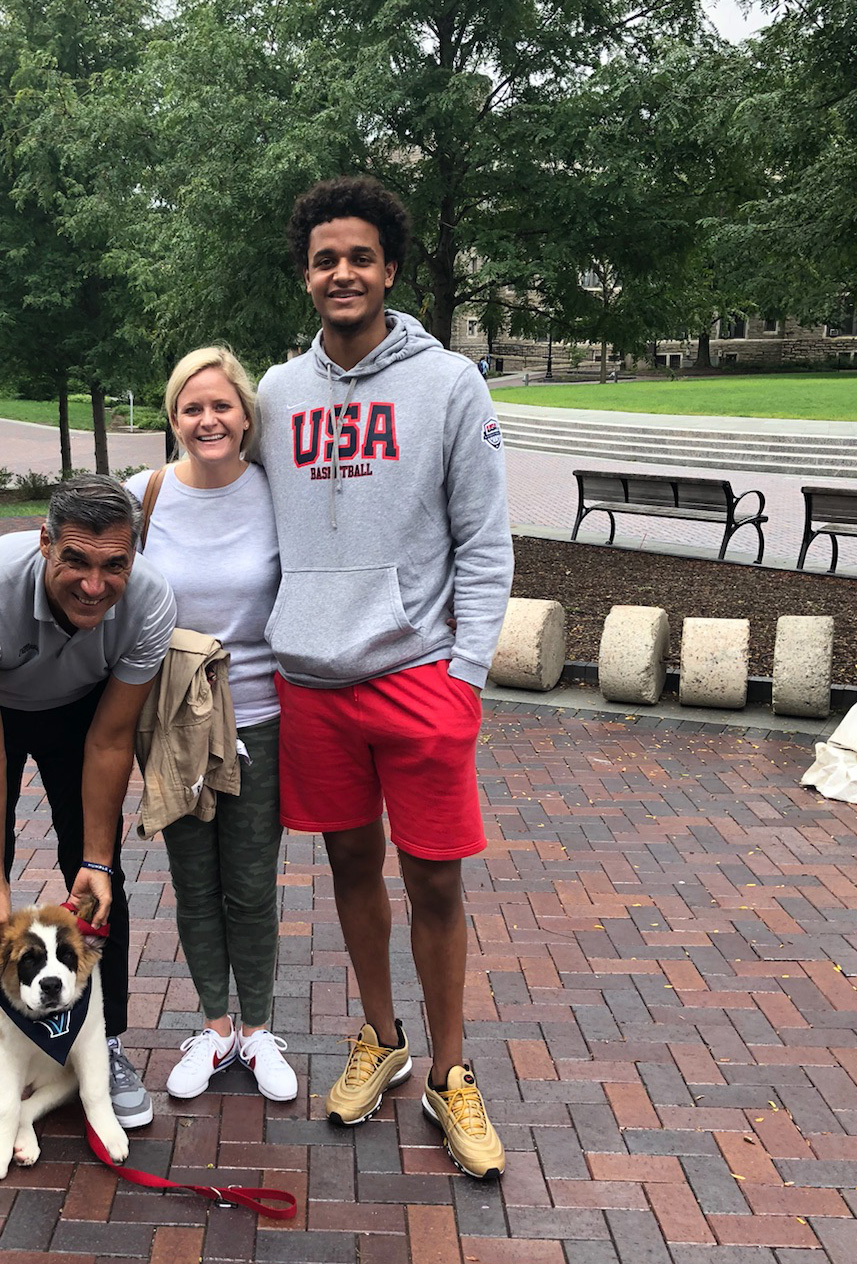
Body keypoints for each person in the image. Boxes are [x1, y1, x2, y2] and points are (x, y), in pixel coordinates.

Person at [256, 176, 513, 1178]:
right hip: (314, 680)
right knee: (351, 869)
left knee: (435, 880)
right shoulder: (278, 393)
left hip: (417, 678)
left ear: (390, 269)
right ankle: (381, 1036)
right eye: (326, 258)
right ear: (307, 274)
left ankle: (451, 1073)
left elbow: (484, 545)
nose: (343, 272)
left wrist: (467, 675)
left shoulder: (450, 383)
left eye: (360, 256)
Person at [0, 474, 177, 1164]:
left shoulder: (151, 601)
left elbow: (109, 739)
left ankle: (109, 1043)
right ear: (45, 544)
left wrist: (95, 858)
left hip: (81, 710)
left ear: (134, 555)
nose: (96, 585)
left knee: (100, 878)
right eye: (77, 561)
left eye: (114, 565)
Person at [125, 347, 296, 1103]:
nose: (208, 420)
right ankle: (216, 1026)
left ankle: (258, 1031)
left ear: (246, 414)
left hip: (260, 715)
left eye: (221, 406)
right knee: (194, 882)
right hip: (173, 724)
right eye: (192, 408)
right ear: (173, 418)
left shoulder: (277, 494)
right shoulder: (146, 497)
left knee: (252, 884)